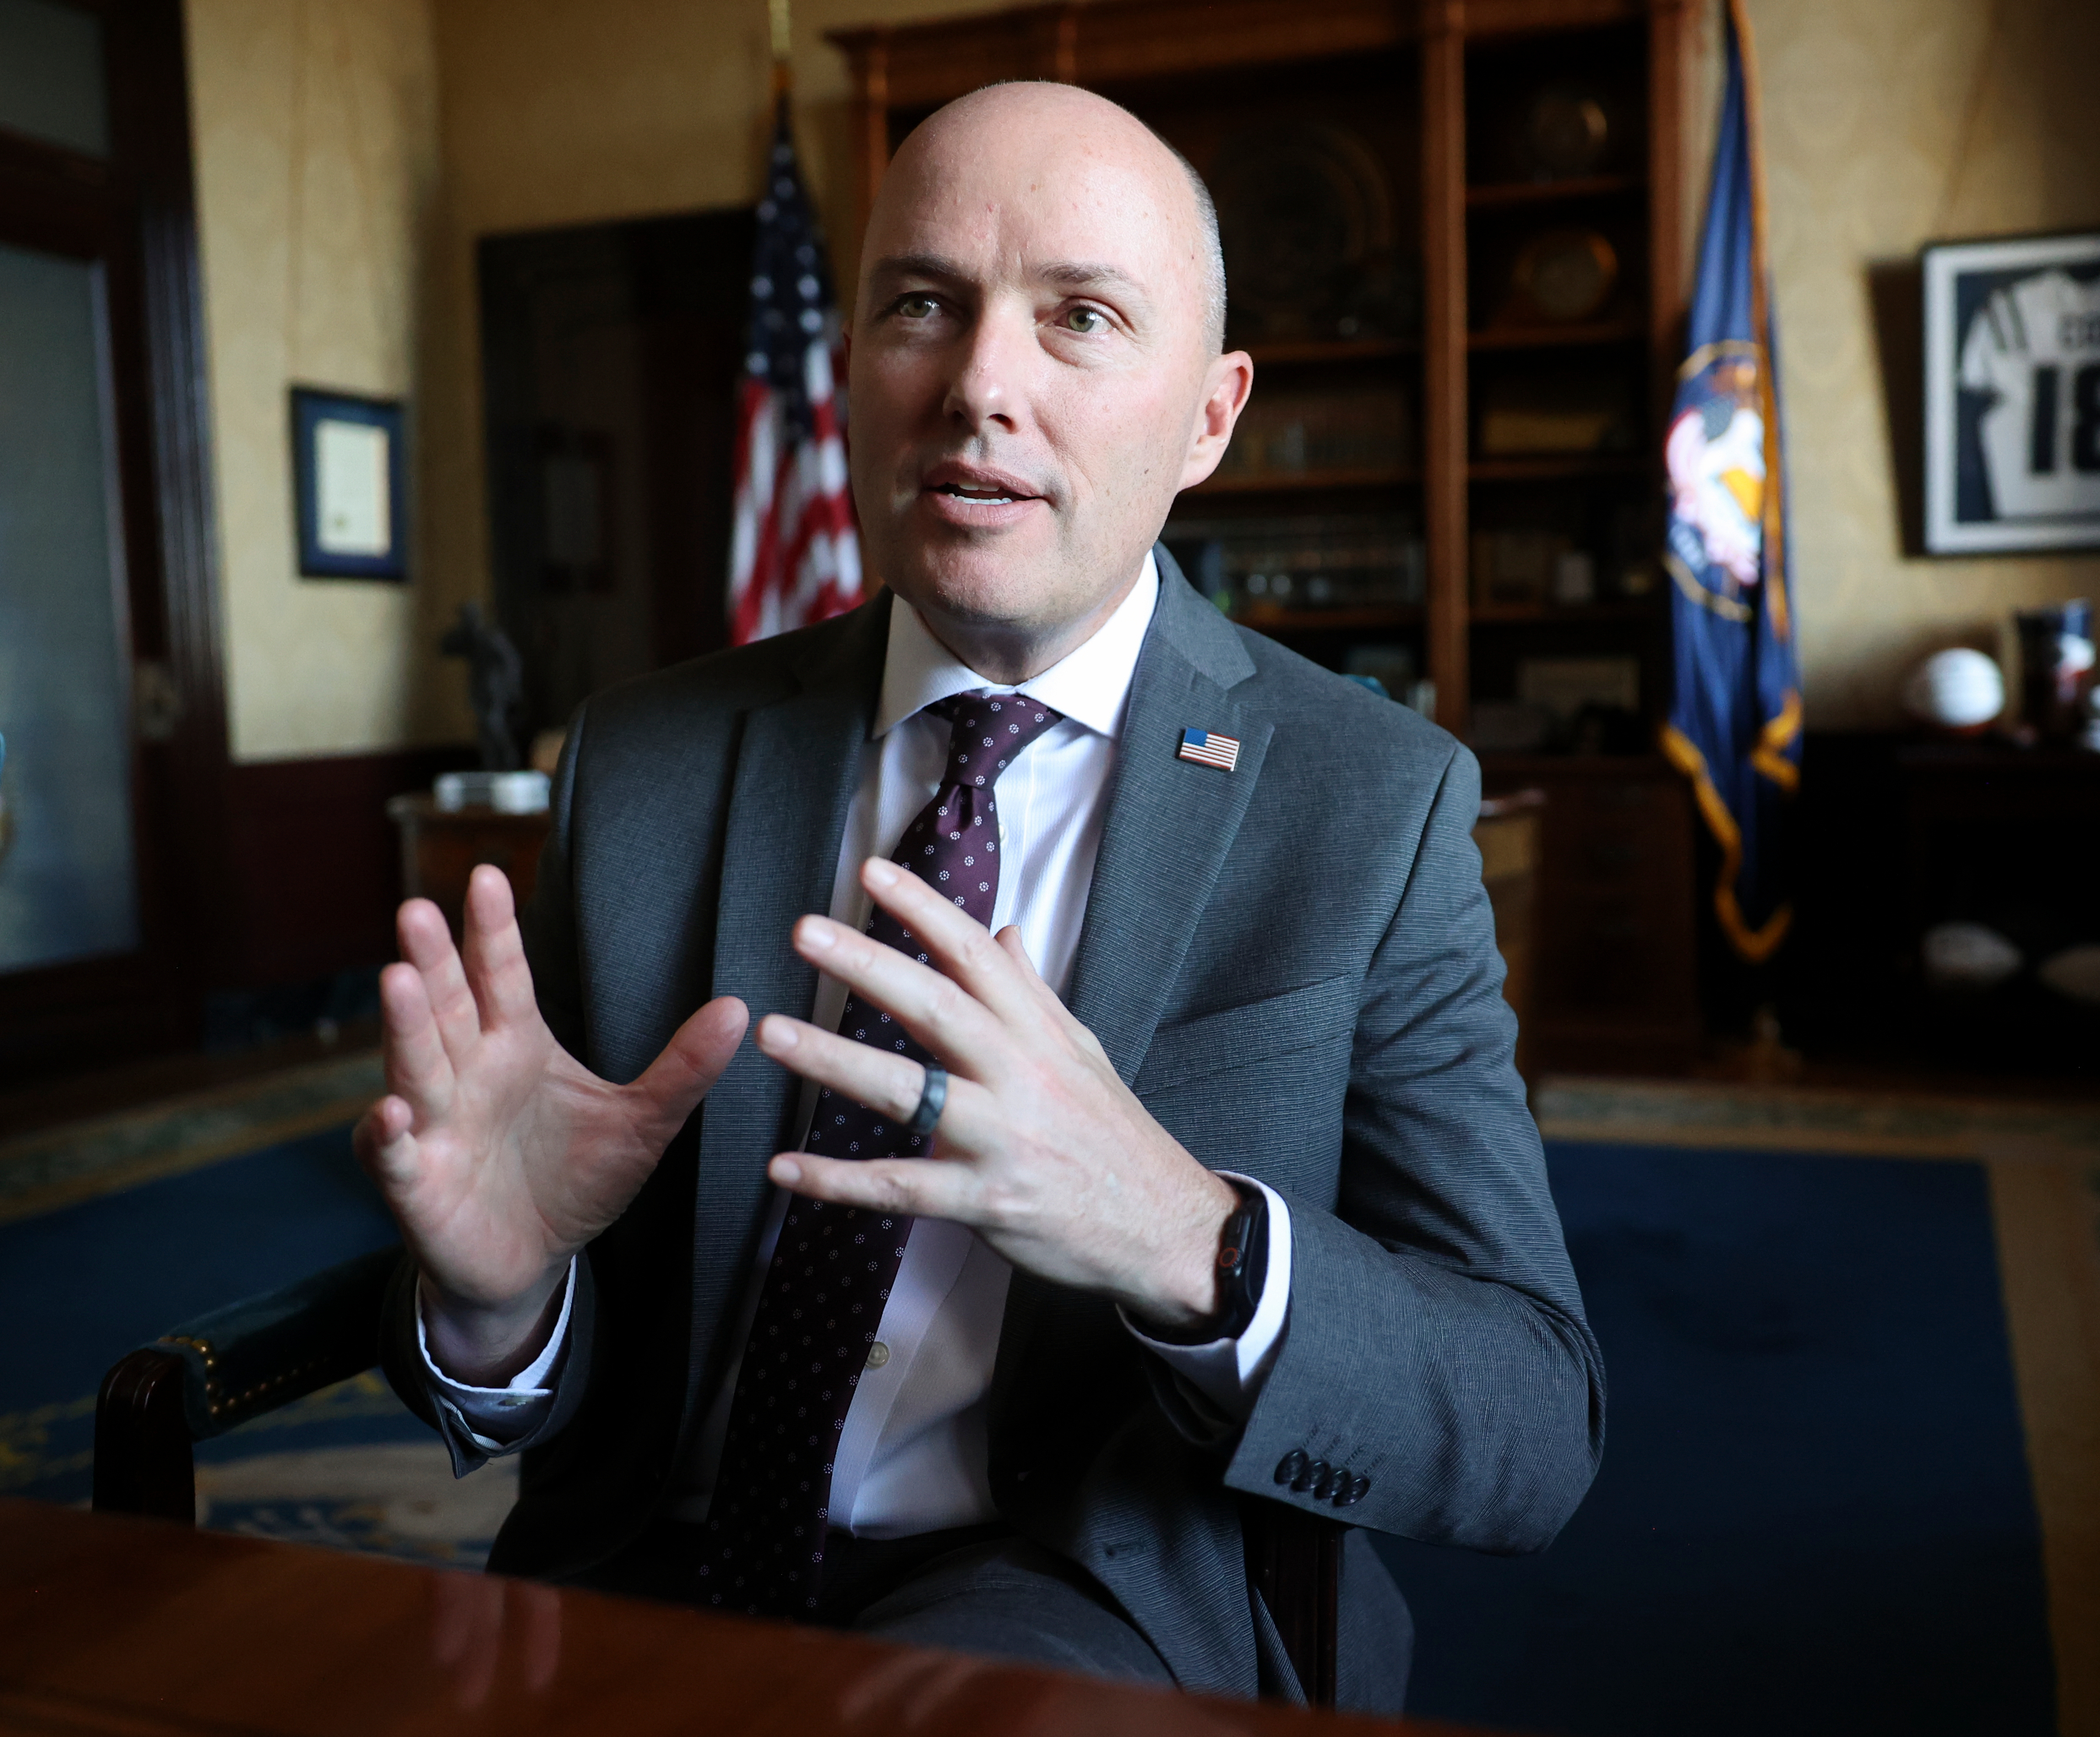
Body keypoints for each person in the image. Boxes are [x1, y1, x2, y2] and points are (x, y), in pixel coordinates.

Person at [356, 80, 1603, 1711]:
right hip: (645, 1576)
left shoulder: (1371, 804)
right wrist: (499, 1298)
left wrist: (1183, 1233)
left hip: (1079, 1590)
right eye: (923, 305)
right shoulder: (647, 759)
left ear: (1212, 418)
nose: (978, 387)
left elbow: (1531, 1420)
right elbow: (551, 1366)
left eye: (1080, 317)